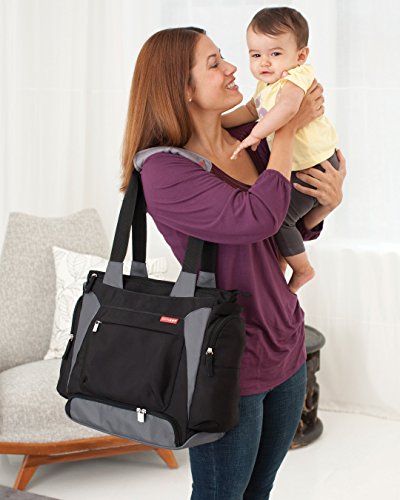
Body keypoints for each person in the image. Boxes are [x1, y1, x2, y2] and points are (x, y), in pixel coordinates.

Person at [120, 26, 345, 500]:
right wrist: (286, 125)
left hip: (286, 341)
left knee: (259, 489)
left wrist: (326, 204)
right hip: (226, 363)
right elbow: (257, 217)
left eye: (224, 57)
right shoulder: (165, 170)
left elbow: (279, 230)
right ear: (183, 88)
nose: (232, 68)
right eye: (214, 63)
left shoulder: (246, 136)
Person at [222, 7, 338, 294]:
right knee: (284, 218)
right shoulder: (266, 83)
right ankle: (280, 275)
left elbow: (287, 108)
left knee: (281, 219)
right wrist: (218, 122)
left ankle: (303, 269)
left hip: (316, 163)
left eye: (275, 53)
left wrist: (256, 134)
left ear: (300, 56)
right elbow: (251, 110)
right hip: (302, 163)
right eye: (255, 55)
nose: (264, 62)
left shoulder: (295, 78)